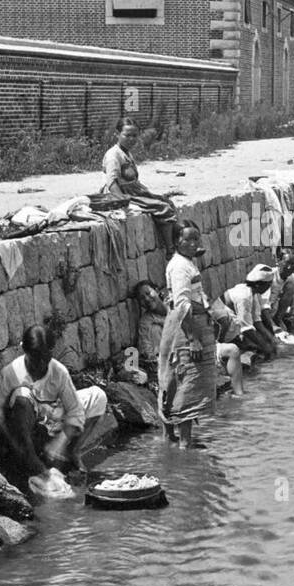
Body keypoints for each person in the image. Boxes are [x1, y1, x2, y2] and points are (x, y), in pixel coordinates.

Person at [0, 325, 110, 496]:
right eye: (36, 358)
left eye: (45, 358)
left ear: (51, 353)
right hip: (30, 426)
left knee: (98, 396)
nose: (41, 364)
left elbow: (75, 412)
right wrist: (15, 444)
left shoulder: (59, 372)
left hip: (54, 417)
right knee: (22, 397)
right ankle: (33, 461)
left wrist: (59, 443)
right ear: (25, 351)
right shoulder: (12, 373)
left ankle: (72, 452)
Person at [158, 222, 218, 447]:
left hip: (187, 325)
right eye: (188, 240)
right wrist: (193, 339)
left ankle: (171, 438)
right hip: (188, 329)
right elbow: (183, 305)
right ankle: (185, 443)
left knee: (176, 379)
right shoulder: (180, 267)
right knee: (190, 381)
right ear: (176, 242)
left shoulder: (185, 262)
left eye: (196, 239)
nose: (194, 244)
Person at [102, 118, 179, 253]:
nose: (131, 139)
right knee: (163, 207)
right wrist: (123, 201)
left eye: (134, 136)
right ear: (117, 134)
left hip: (134, 190)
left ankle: (177, 238)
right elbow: (112, 182)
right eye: (127, 135)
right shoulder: (113, 155)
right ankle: (170, 248)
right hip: (122, 193)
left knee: (168, 202)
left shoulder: (126, 153)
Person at [223, 264, 279, 361]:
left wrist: (271, 339)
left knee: (265, 346)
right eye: (268, 285)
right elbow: (246, 328)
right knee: (257, 348)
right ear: (259, 284)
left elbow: (257, 321)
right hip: (225, 327)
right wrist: (266, 347)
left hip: (235, 326)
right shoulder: (244, 296)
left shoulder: (254, 294)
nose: (269, 288)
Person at [208, 298, 246, 397]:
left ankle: (239, 394)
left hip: (210, 341)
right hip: (196, 343)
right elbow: (222, 320)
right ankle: (238, 393)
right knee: (232, 350)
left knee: (233, 350)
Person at [133, 280, 167, 385]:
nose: (147, 299)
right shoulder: (146, 322)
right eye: (142, 299)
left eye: (148, 293)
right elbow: (147, 349)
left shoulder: (173, 302)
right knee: (154, 330)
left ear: (156, 290)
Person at [266, 249, 294, 335]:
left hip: (276, 312)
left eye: (292, 264)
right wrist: (273, 327)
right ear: (279, 261)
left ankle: (278, 319)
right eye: (287, 263)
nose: (289, 267)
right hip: (265, 315)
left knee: (290, 285)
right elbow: (262, 307)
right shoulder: (269, 276)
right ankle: (273, 323)